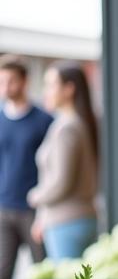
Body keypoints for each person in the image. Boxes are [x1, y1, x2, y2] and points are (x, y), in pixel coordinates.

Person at [26, 62, 99, 261]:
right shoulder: (70, 124)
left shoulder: (67, 127)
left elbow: (61, 182)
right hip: (70, 220)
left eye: (51, 85)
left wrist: (35, 196)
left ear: (69, 89)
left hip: (67, 221)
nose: (45, 92)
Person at [0, 56, 51, 279]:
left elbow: (52, 168)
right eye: (1, 82)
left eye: (11, 81)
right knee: (2, 275)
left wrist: (44, 209)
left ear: (24, 81)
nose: (5, 87)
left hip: (34, 210)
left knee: (41, 274)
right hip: (4, 208)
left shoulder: (44, 120)